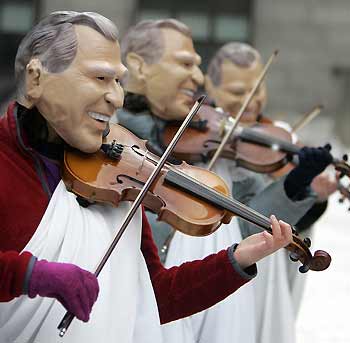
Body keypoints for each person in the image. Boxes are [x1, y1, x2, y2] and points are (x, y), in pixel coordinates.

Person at [0, 11, 294, 343]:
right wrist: (32, 276)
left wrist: (236, 259)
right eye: (100, 78)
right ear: (37, 78)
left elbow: (154, 297)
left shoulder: (116, 174)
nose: (117, 97)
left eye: (118, 81)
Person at [118, 20, 334, 343]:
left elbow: (244, 223)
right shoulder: (103, 137)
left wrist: (295, 184)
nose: (198, 77)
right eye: (186, 63)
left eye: (198, 65)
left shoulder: (212, 145)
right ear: (137, 66)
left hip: (202, 307)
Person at [204, 42, 338, 343]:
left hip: (268, 265)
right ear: (209, 86)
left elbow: (292, 220)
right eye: (238, 92)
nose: (251, 101)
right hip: (219, 266)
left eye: (257, 89)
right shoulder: (200, 140)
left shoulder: (273, 136)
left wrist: (309, 191)